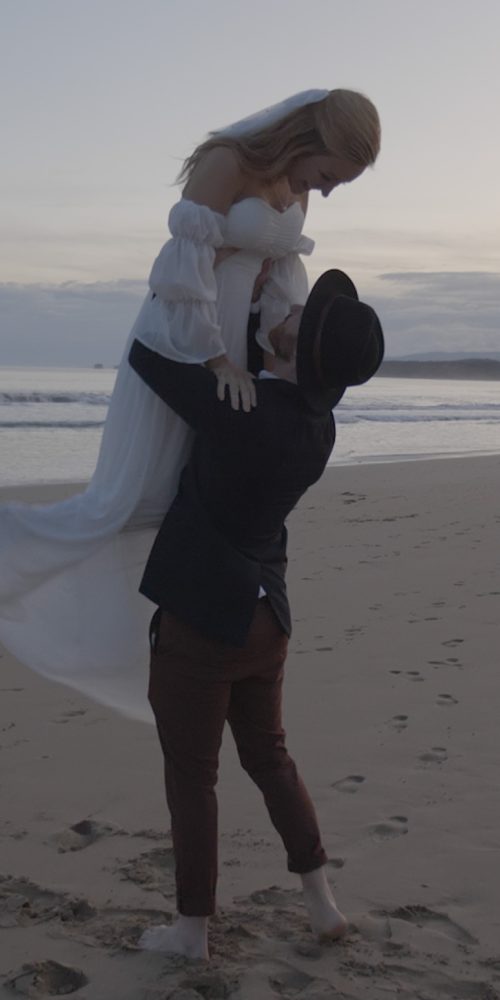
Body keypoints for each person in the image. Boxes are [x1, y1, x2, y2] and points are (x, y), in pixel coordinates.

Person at [0, 90, 381, 720]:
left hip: (238, 343)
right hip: (186, 332)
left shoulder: (297, 188)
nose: (327, 192)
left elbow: (285, 281)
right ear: (311, 139)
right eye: (331, 175)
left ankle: (187, 625)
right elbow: (181, 267)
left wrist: (278, 337)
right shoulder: (228, 161)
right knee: (126, 500)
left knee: (190, 493)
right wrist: (213, 358)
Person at [127, 268, 385, 959]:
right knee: (269, 759)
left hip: (205, 622)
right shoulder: (315, 423)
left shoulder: (241, 410)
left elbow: (149, 355)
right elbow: (259, 351)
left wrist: (192, 280)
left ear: (296, 354)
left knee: (192, 776)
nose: (289, 311)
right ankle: (322, 903)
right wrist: (243, 288)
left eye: (297, 319)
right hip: (266, 617)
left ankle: (190, 930)